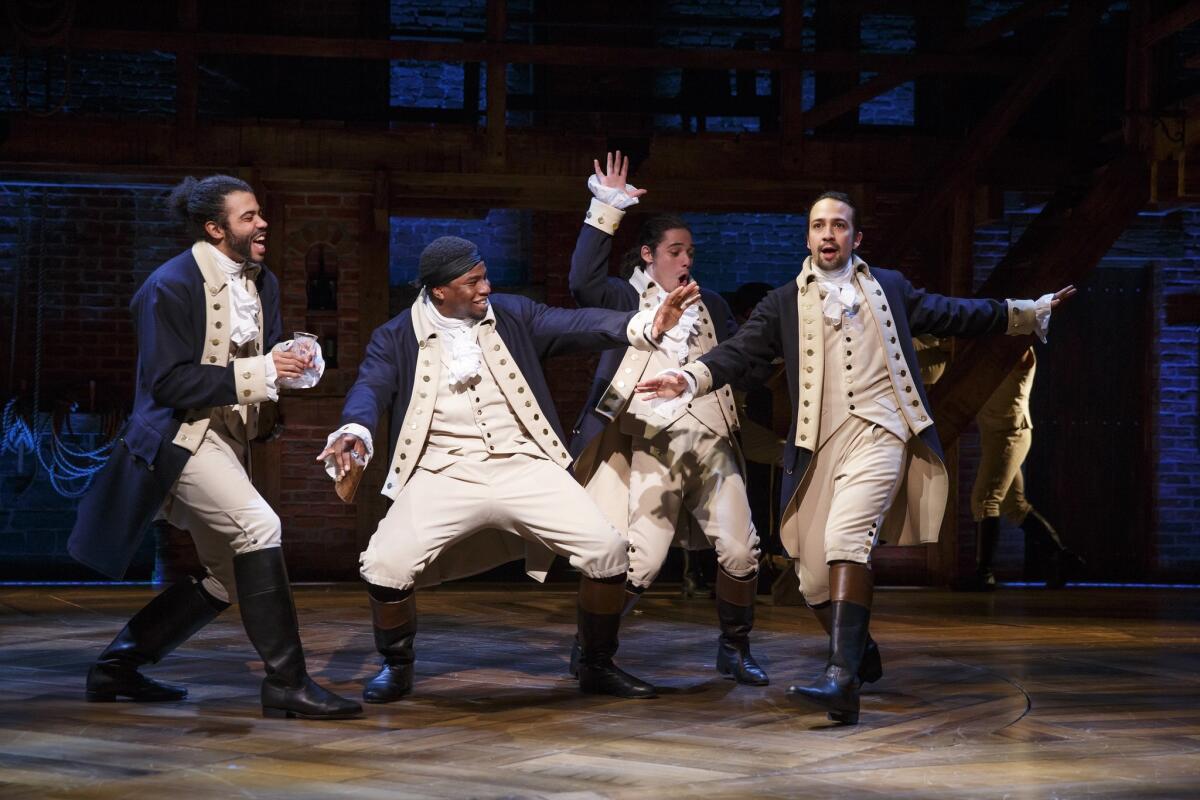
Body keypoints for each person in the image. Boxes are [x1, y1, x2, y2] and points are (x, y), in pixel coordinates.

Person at [636, 191, 1074, 724]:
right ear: (807, 237)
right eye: (819, 225)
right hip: (820, 444)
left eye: (839, 226)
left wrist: (1024, 314)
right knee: (812, 578)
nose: (828, 234)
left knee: (848, 539)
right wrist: (688, 376)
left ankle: (841, 680)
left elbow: (952, 313)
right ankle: (858, 650)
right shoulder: (782, 303)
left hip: (881, 430)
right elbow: (738, 353)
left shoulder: (887, 287)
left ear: (855, 237)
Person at [317, 180, 700, 704]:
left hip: (526, 466)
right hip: (441, 471)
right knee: (385, 564)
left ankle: (595, 663)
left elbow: (578, 322)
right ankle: (397, 664)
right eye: (473, 282)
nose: (485, 288)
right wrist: (354, 430)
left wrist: (642, 323)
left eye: (485, 277)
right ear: (440, 291)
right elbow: (371, 386)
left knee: (609, 551)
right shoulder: (396, 335)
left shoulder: (514, 315)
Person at [67, 175, 362, 720]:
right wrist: (263, 370)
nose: (262, 223)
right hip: (181, 437)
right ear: (214, 227)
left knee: (227, 575)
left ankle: (117, 668)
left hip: (229, 439)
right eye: (248, 216)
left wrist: (291, 361)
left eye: (259, 214)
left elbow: (261, 355)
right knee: (260, 527)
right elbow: (168, 383)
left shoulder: (262, 280)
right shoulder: (171, 285)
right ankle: (287, 684)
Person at [566, 152, 768, 686]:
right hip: (650, 443)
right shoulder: (621, 296)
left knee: (742, 548)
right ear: (649, 255)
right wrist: (606, 206)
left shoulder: (713, 304)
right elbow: (582, 282)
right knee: (642, 560)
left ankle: (734, 648)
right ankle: (592, 651)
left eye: (690, 252)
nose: (686, 260)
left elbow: (736, 363)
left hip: (712, 440)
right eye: (675, 251)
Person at [964, 346, 1083, 590]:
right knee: (1013, 506)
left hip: (1010, 434)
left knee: (985, 499)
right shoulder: (997, 349)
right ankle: (1062, 557)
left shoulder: (1019, 349)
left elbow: (1000, 361)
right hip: (998, 434)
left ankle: (984, 574)